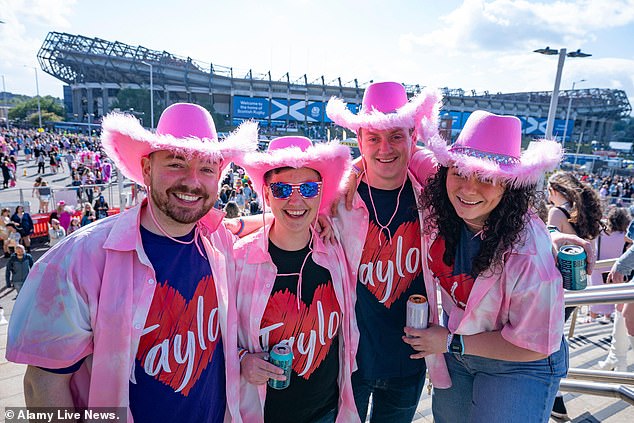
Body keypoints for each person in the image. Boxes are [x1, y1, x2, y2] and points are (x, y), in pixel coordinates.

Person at [6, 103, 258, 422]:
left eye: (207, 168)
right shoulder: (81, 258)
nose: (192, 181)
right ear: (147, 169)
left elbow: (243, 225)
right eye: (176, 163)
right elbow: (43, 383)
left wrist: (305, 220)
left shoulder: (217, 238)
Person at [404, 110, 567, 423]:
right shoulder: (444, 195)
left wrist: (451, 341)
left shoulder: (529, 255)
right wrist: (350, 176)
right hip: (458, 352)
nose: (468, 188)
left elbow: (537, 345)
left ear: (510, 186)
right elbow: (393, 152)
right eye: (461, 172)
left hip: (518, 364)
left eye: (487, 178)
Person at [326, 81, 446, 421]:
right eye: (373, 137)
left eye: (396, 136)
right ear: (360, 141)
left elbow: (493, 205)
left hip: (407, 364)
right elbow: (281, 219)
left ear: (413, 138)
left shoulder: (435, 200)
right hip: (347, 363)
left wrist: (554, 237)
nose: (384, 148)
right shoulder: (335, 201)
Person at [235, 136, 358, 422]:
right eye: (281, 189)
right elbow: (214, 337)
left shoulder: (336, 249)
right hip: (262, 414)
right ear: (265, 195)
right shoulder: (237, 261)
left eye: (308, 188)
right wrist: (242, 359)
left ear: (321, 194)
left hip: (327, 411)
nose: (296, 199)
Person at [547, 171, 604, 418]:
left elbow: (547, 245)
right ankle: (555, 394)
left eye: (549, 191)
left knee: (550, 336)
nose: (549, 197)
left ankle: (554, 395)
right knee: (557, 333)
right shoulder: (583, 215)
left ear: (556, 191)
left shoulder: (557, 213)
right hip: (578, 284)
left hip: (558, 284)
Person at [591, 207, 630, 323]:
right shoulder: (625, 237)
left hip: (598, 268)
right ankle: (607, 317)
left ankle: (592, 318)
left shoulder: (600, 233)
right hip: (616, 269)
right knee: (613, 293)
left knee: (596, 293)